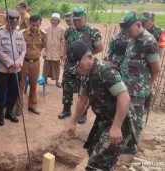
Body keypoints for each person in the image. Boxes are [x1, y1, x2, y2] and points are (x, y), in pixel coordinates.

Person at [67, 40, 133, 170]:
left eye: (78, 65)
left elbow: (124, 97)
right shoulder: (86, 73)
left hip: (118, 122)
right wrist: (73, 122)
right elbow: (83, 99)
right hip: (103, 120)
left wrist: (116, 127)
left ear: (90, 57)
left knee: (97, 164)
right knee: (92, 150)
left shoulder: (106, 71)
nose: (77, 69)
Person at [119, 11, 161, 154]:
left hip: (138, 87)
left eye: (128, 31)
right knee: (125, 114)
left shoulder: (148, 41)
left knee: (135, 118)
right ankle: (125, 140)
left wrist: (149, 84)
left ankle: (131, 146)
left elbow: (156, 68)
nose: (127, 34)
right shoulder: (133, 38)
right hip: (126, 84)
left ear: (138, 25)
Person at [59, 6, 103, 124]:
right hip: (70, 64)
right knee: (67, 87)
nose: (77, 22)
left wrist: (86, 56)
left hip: (84, 67)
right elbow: (66, 45)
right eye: (75, 20)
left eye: (80, 19)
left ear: (85, 18)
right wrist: (64, 55)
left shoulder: (93, 32)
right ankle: (66, 109)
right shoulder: (69, 31)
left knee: (83, 90)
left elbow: (100, 48)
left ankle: (83, 114)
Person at [0, 9, 26, 126]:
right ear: (7, 20)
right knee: (1, 92)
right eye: (11, 24)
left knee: (14, 91)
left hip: (16, 69)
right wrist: (10, 63)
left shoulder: (19, 33)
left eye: (15, 24)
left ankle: (9, 112)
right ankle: (1, 114)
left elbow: (23, 49)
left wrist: (18, 63)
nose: (13, 26)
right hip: (3, 69)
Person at [15, 15, 46, 116]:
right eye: (33, 25)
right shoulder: (22, 34)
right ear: (29, 23)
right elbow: (18, 48)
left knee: (33, 85)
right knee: (20, 85)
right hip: (24, 62)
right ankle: (19, 107)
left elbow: (41, 47)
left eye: (37, 25)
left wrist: (35, 54)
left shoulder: (43, 35)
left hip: (36, 62)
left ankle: (32, 106)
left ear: (40, 23)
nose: (35, 27)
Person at [42, 13, 65, 88]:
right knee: (46, 66)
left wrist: (61, 53)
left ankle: (57, 81)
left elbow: (62, 42)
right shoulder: (46, 29)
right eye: (53, 20)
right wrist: (44, 52)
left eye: (56, 20)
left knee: (56, 67)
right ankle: (44, 80)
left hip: (56, 52)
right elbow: (43, 42)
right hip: (48, 51)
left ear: (58, 21)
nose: (54, 21)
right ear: (50, 20)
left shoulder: (62, 30)